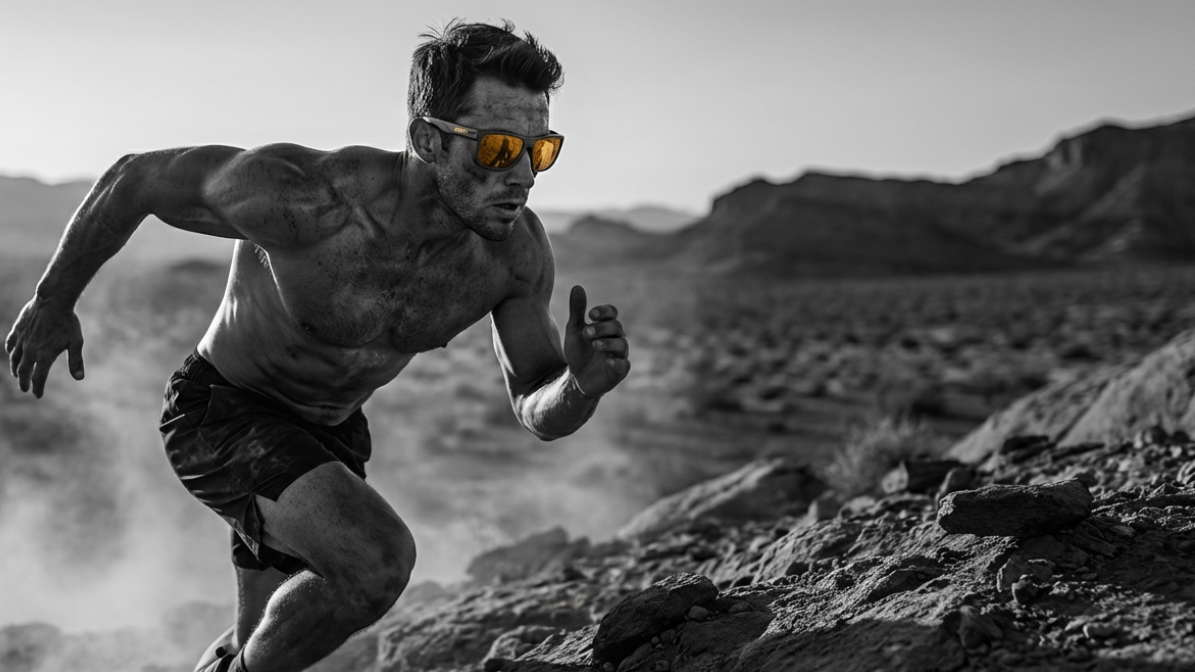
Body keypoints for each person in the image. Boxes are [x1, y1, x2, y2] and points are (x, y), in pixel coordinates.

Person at [4, 20, 630, 672]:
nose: (524, 175)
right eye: (499, 150)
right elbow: (139, 177)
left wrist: (579, 386)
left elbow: (536, 402)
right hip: (222, 411)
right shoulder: (310, 199)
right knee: (375, 561)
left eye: (541, 150)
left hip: (330, 437)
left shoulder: (514, 254)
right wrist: (53, 302)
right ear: (426, 139)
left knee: (266, 639)